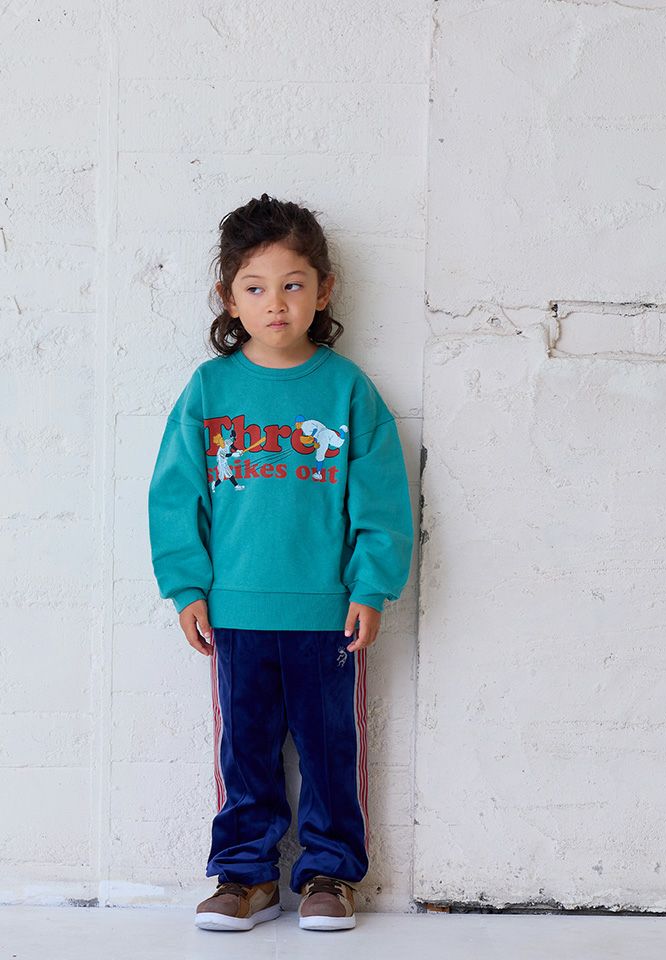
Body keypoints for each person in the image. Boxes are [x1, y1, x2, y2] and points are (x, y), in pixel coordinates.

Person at [147, 193, 414, 933]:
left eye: (293, 284)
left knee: (331, 752)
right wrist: (186, 587)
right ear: (228, 297)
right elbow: (175, 497)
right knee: (246, 752)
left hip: (329, 616)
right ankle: (245, 876)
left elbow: (382, 503)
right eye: (256, 287)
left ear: (323, 291)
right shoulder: (210, 390)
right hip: (234, 613)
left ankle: (330, 873)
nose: (275, 303)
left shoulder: (347, 389)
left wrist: (371, 587)